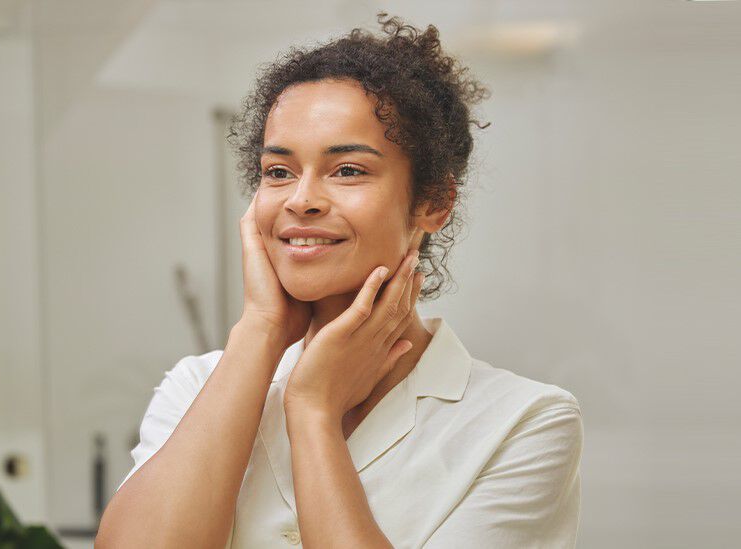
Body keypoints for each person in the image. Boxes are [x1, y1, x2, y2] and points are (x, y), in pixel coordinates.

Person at [95, 12, 582, 549]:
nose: (301, 199)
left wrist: (313, 412)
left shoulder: (524, 422)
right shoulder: (196, 387)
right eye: (278, 171)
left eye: (348, 169)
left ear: (434, 203)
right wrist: (260, 330)